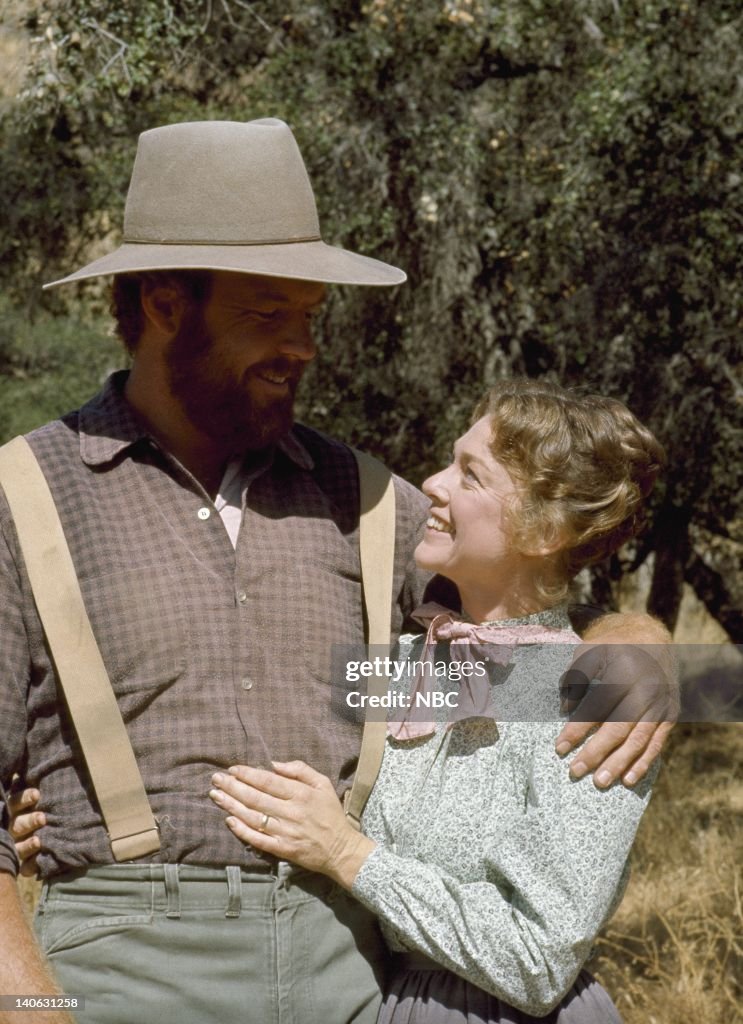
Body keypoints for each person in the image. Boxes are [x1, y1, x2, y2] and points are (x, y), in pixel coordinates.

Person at [0, 119, 671, 1024]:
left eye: (309, 316)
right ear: (163, 304)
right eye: (267, 314)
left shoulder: (362, 495)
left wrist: (638, 640)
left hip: (357, 971)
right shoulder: (24, 496)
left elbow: (515, 618)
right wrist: (27, 1006)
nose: (302, 347)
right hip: (126, 965)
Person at [208, 378, 667, 1023]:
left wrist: (345, 853)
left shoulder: (596, 695)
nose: (432, 483)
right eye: (451, 460)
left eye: (471, 475)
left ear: (545, 530)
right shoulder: (406, 665)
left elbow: (537, 961)